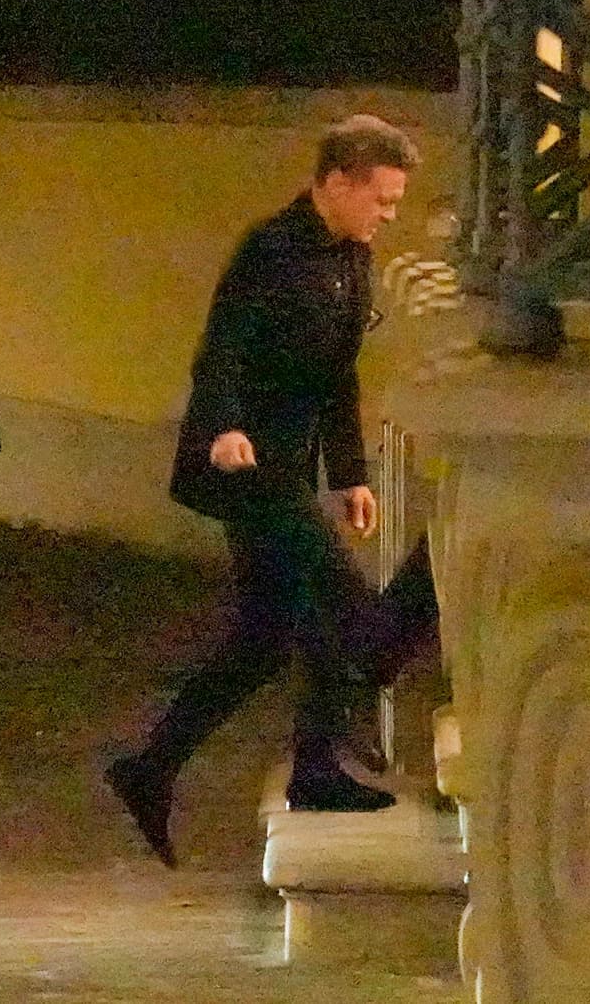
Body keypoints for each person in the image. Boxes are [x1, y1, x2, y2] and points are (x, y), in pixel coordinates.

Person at [105, 115, 441, 868]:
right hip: (247, 469)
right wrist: (223, 425)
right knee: (357, 622)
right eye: (381, 199)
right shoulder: (272, 248)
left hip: (291, 465)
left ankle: (154, 769)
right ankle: (435, 576)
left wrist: (351, 475)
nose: (388, 215)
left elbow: (338, 378)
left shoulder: (353, 259)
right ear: (336, 182)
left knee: (264, 636)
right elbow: (219, 345)